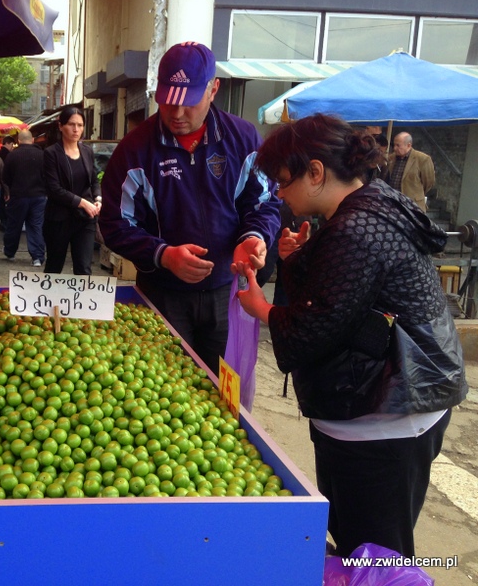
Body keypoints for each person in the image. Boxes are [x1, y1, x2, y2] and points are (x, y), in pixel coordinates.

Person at [238, 113, 467, 559]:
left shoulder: (356, 230)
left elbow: (312, 328)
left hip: (388, 415)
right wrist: (297, 258)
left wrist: (261, 308)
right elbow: (337, 296)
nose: (279, 194)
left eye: (284, 182)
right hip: (393, 404)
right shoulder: (372, 202)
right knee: (357, 544)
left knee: (377, 555)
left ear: (317, 171)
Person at [99, 41, 281, 371]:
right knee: (164, 386)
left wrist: (253, 238)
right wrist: (163, 254)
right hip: (162, 294)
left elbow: (266, 203)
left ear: (214, 89)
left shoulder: (243, 139)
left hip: (227, 293)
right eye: (168, 101)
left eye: (189, 101)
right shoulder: (134, 150)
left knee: (225, 389)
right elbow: (114, 223)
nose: (177, 113)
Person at [42, 107, 101, 275]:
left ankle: (83, 301)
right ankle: (50, 300)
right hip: (59, 219)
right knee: (54, 267)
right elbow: (54, 189)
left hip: (85, 220)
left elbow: (94, 179)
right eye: (71, 124)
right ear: (61, 126)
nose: (76, 129)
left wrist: (98, 198)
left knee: (84, 267)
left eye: (80, 125)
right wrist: (82, 203)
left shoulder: (87, 151)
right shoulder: (51, 153)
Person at [2, 129, 46, 266]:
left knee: (14, 225)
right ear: (32, 140)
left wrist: (10, 189)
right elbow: (49, 176)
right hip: (39, 196)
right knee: (36, 226)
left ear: (19, 141)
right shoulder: (42, 155)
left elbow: (5, 178)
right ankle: (37, 257)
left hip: (18, 196)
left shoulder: (12, 156)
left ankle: (10, 252)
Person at [386, 131, 435, 210]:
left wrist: (416, 194)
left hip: (412, 205)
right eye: (394, 145)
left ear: (408, 145)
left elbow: (428, 182)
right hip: (393, 204)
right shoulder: (392, 158)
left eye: (398, 145)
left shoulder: (422, 159)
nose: (395, 148)